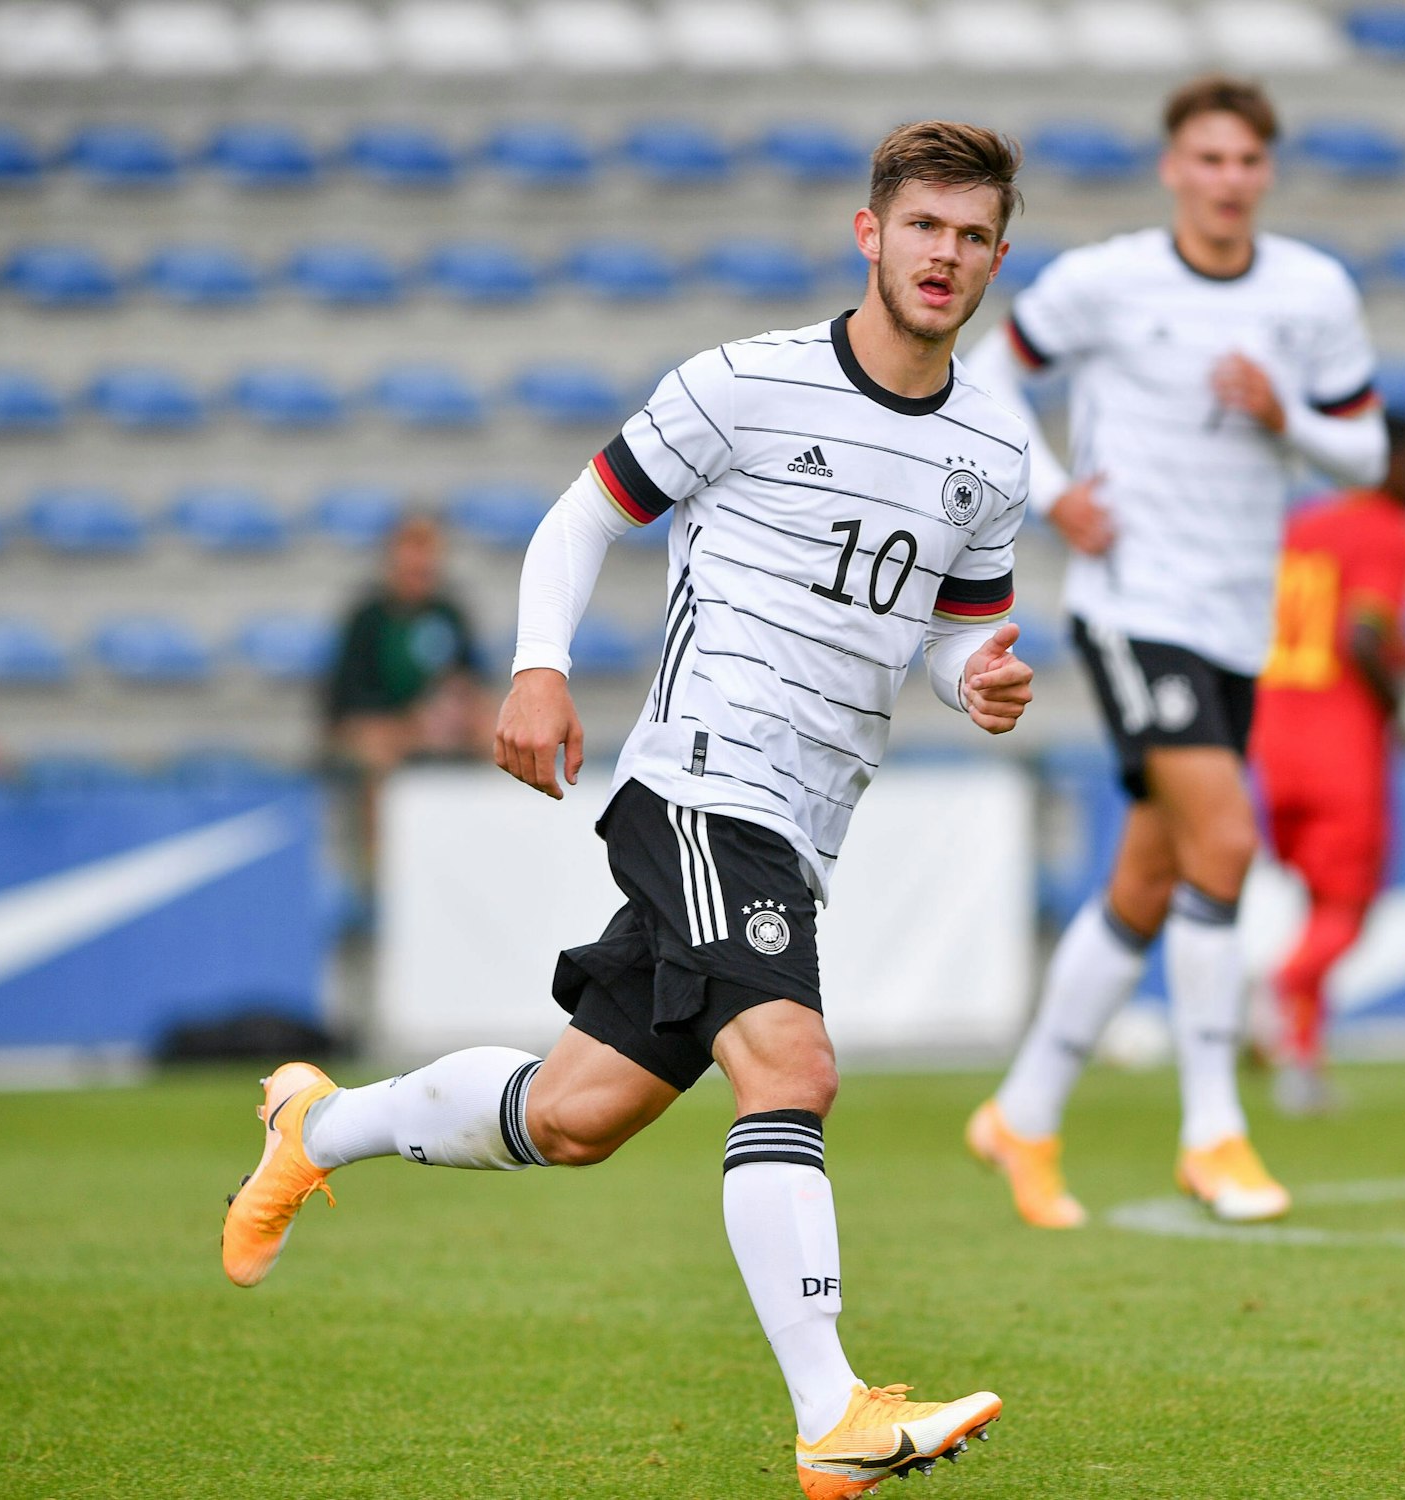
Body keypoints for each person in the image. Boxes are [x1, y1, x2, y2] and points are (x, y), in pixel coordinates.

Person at [223, 122, 1037, 1500]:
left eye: (971, 236)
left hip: (806, 820)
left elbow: (960, 632)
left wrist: (983, 680)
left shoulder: (995, 457)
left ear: (998, 255)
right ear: (870, 234)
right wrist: (539, 665)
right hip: (705, 783)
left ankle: (321, 1125)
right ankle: (833, 1413)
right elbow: (582, 516)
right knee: (793, 1067)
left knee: (573, 1114)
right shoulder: (745, 385)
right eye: (923, 229)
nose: (945, 256)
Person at [961, 75, 1387, 1229]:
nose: (1226, 180)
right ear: (1171, 168)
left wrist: (1283, 415)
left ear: (1265, 172)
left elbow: (1366, 447)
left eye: (1245, 161)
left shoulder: (1310, 290)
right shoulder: (1106, 279)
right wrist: (1053, 496)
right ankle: (1212, 1130)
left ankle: (1022, 1113)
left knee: (1148, 879)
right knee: (1227, 837)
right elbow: (990, 372)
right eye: (1206, 159)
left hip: (1233, 619)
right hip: (1129, 603)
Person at [1253, 414, 1405, 1116]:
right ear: (1394, 461)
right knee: (1346, 911)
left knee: (1317, 905)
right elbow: (1361, 635)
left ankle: (1302, 1061)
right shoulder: (1387, 529)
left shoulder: (1302, 525)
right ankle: (1276, 992)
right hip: (1340, 748)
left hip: (1276, 740)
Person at [324, 514, 494, 864]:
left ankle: (485, 850)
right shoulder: (367, 619)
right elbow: (348, 699)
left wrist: (457, 707)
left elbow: (471, 679)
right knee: (378, 750)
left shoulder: (449, 615)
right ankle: (381, 866)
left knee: (496, 735)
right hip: (385, 726)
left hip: (437, 725)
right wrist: (409, 721)